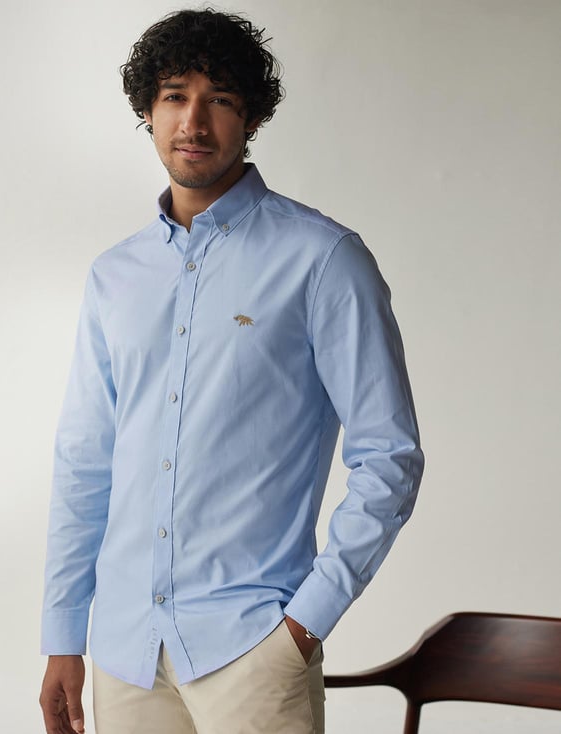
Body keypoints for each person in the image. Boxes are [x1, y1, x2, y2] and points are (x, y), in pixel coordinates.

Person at [39, 8, 424, 734]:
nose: (193, 121)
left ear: (251, 116)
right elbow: (85, 460)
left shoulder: (322, 259)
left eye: (219, 99)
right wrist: (64, 633)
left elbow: (389, 456)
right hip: (125, 653)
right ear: (147, 111)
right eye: (174, 96)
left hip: (252, 648)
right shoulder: (114, 276)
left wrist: (301, 628)